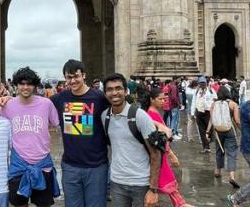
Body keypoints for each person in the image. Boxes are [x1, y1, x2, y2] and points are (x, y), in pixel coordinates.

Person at [50, 59, 109, 207]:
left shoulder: (99, 98)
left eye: (76, 76)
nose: (73, 80)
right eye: (69, 77)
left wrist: (156, 124)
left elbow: (123, 112)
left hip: (96, 166)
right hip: (70, 166)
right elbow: (35, 106)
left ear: (84, 75)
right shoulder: (59, 98)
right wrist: (6, 101)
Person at [0, 67, 60, 207]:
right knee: (19, 204)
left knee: (43, 204)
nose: (25, 87)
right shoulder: (7, 105)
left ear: (34, 85)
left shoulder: (46, 104)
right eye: (22, 83)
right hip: (18, 164)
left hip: (42, 163)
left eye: (29, 84)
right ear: (16, 85)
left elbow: (58, 125)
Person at [102, 73, 159, 207]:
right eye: (110, 89)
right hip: (117, 183)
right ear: (105, 94)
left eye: (118, 88)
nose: (114, 93)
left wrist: (153, 189)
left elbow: (156, 154)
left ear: (126, 91)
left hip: (141, 183)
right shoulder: (104, 117)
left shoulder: (140, 116)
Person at [146, 88, 193, 207]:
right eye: (160, 99)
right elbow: (160, 140)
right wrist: (171, 155)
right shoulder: (151, 115)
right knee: (166, 185)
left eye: (164, 99)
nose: (163, 101)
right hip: (159, 157)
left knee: (167, 187)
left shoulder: (154, 113)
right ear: (151, 100)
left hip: (162, 156)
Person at [206, 86, 240, 189]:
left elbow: (211, 120)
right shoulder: (233, 104)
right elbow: (237, 121)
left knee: (219, 150)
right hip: (229, 131)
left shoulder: (213, 104)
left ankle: (218, 170)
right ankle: (232, 176)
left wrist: (207, 132)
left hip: (217, 131)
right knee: (232, 153)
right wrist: (243, 130)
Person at [191, 76, 216, 153]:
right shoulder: (196, 91)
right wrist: (192, 113)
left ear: (206, 83)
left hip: (208, 112)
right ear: (199, 84)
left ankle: (209, 142)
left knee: (209, 130)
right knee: (201, 130)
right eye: (201, 83)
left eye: (204, 83)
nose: (202, 85)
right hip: (199, 112)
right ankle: (206, 147)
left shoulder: (211, 90)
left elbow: (215, 99)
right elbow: (194, 102)